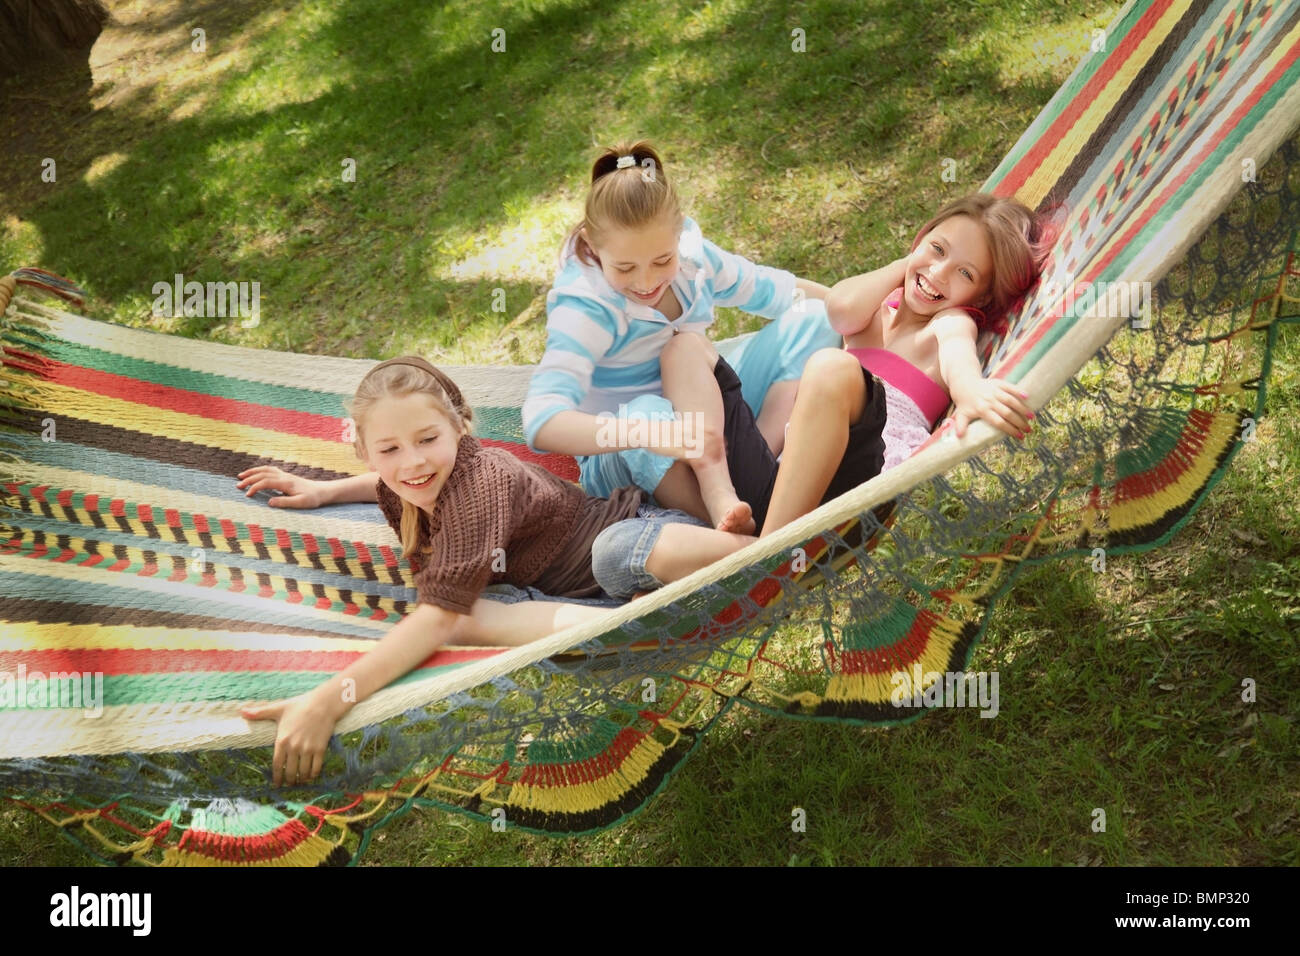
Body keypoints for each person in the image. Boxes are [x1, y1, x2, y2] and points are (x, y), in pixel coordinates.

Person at [235, 356, 752, 785]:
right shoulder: (401, 486)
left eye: (427, 439)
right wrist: (325, 490)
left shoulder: (479, 482)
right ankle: (616, 624)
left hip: (637, 535)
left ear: (460, 428)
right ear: (366, 452)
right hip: (581, 598)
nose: (411, 462)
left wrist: (327, 701)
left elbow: (435, 618)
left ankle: (744, 548)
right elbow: (382, 482)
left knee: (609, 555)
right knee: (477, 612)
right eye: (389, 449)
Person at [592, 193, 1054, 590]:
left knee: (832, 367)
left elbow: (959, 358)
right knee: (685, 349)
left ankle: (765, 556)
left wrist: (972, 391)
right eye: (936, 249)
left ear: (981, 298)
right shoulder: (877, 309)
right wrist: (906, 264)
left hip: (848, 484)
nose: (938, 273)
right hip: (788, 481)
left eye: (965, 274)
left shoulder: (949, 324)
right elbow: (839, 307)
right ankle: (734, 525)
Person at [522, 139, 842, 536]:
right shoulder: (585, 307)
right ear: (591, 244)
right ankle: (726, 529)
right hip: (631, 449)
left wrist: (853, 304)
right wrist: (648, 433)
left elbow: (771, 290)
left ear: (678, 234)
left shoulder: (694, 260)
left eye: (662, 260)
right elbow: (540, 421)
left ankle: (757, 460)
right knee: (645, 411)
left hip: (702, 409)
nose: (646, 281)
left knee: (816, 319)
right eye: (624, 268)